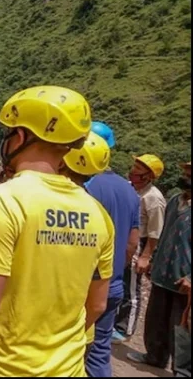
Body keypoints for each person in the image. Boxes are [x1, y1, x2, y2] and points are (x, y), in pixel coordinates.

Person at [0, 85, 115, 377]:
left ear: (19, 137)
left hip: (3, 367)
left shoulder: (5, 198)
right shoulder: (98, 214)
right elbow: (96, 303)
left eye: (6, 134)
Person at [61, 128, 140, 377]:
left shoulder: (83, 188)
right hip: (112, 285)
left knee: (67, 353)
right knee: (99, 354)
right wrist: (116, 272)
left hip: (82, 287)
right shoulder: (129, 190)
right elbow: (132, 242)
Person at [128, 162, 191, 370]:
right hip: (164, 270)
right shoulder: (175, 201)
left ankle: (181, 370)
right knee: (156, 318)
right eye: (185, 172)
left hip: (185, 277)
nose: (185, 176)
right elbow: (162, 233)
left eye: (190, 174)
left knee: (181, 326)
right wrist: (153, 259)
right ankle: (155, 356)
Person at [115, 154, 167, 342]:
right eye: (134, 165)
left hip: (140, 244)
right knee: (119, 282)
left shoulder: (153, 198)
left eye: (139, 168)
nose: (133, 170)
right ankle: (116, 321)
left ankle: (125, 329)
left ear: (149, 176)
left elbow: (155, 232)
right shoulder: (131, 189)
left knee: (131, 288)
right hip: (125, 238)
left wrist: (145, 257)